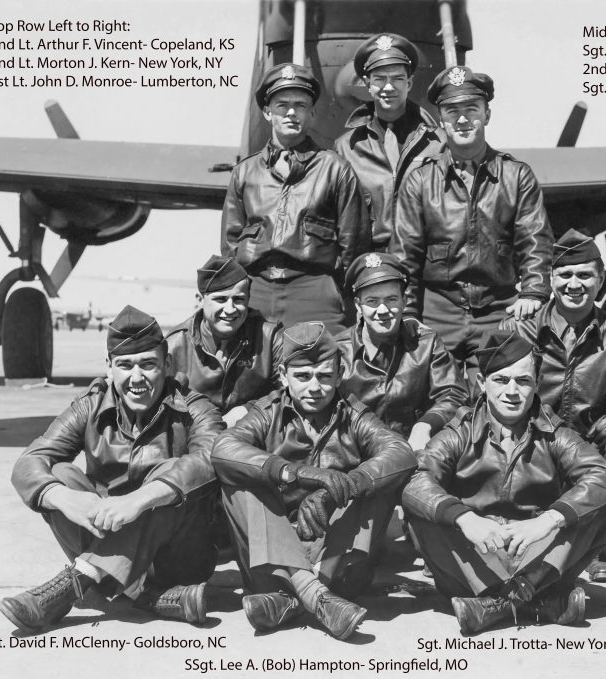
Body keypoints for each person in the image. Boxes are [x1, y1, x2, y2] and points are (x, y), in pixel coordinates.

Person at [0, 306, 225, 633]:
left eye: (148, 364)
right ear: (109, 369)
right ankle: (146, 593)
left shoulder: (194, 407)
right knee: (61, 474)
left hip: (179, 557)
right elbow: (29, 461)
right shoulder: (90, 406)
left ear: (167, 363)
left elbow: (210, 459)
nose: (136, 378)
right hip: (112, 536)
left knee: (174, 473)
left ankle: (77, 582)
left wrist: (142, 498)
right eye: (125, 366)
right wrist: (61, 497)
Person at [402, 331, 606, 635]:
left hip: (533, 551)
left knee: (601, 504)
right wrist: (464, 518)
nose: (513, 391)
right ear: (482, 384)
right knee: (421, 512)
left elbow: (604, 477)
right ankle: (535, 602)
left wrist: (548, 520)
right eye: (501, 380)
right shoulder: (459, 432)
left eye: (523, 381)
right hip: (476, 552)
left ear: (536, 384)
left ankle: (497, 606)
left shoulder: (555, 433)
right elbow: (417, 479)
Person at [211, 321, 417, 639]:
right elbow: (223, 448)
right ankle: (313, 595)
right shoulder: (267, 413)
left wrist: (340, 488)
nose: (315, 387)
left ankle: (292, 600)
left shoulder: (354, 415)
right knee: (239, 477)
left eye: (324, 375)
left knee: (380, 481)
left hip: (338, 564)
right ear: (283, 375)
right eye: (303, 376)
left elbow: (401, 452)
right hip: (273, 561)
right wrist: (294, 473)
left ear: (339, 373)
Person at [390, 66, 553, 382]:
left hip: (498, 309)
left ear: (487, 114)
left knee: (501, 398)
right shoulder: (420, 181)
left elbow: (535, 239)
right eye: (452, 111)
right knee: (434, 400)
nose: (462, 119)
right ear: (441, 119)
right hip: (436, 311)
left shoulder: (516, 176)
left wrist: (533, 292)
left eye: (471, 109)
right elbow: (404, 255)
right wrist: (408, 314)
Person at [510, 229, 606, 583]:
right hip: (535, 440)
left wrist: (598, 433)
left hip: (591, 445)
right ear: (551, 279)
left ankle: (601, 546)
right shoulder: (522, 330)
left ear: (600, 280)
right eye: (565, 275)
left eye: (584, 275)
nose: (574, 284)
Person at [221, 63, 370, 335]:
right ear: (267, 112)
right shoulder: (245, 172)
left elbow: (354, 247)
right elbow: (231, 245)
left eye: (301, 105)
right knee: (253, 373)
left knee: (321, 371)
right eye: (282, 105)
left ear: (312, 113)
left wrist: (347, 300)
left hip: (315, 291)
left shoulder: (335, 169)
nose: (291, 112)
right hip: (257, 291)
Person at [336, 252, 468, 452]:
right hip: (357, 457)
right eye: (372, 301)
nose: (382, 310)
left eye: (391, 299)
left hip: (416, 453)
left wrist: (425, 425)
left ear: (404, 301)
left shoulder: (426, 343)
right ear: (357, 306)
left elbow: (454, 394)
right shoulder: (338, 351)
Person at [334, 33, 443, 251]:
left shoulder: (438, 142)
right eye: (380, 79)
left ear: (409, 83)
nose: (389, 87)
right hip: (374, 263)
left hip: (425, 262)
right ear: (367, 84)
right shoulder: (346, 147)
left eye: (397, 78)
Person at [166, 254, 283, 427]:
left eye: (238, 299)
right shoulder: (175, 345)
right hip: (196, 435)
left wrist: (248, 410)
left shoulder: (270, 337)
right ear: (200, 300)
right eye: (220, 299)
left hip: (254, 432)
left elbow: (290, 389)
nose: (230, 309)